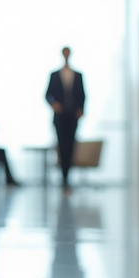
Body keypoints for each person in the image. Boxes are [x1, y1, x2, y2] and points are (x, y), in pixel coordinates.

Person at [45, 46, 86, 189]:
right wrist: (54, 105)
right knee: (61, 145)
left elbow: (83, 95)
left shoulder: (78, 75)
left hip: (73, 116)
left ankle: (67, 176)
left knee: (71, 145)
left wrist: (81, 110)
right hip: (60, 117)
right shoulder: (55, 75)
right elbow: (47, 95)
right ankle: (63, 177)